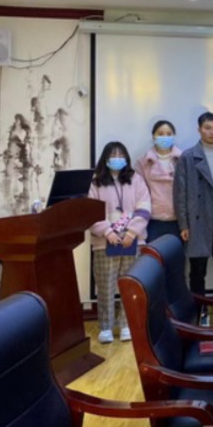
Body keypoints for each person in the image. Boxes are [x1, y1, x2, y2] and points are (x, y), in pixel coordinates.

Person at [174, 112, 213, 327]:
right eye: (208, 128)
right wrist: (184, 224)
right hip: (198, 221)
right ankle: (199, 311)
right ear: (199, 130)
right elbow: (180, 193)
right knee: (197, 271)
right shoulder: (188, 157)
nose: (212, 132)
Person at [88, 141, 151, 344]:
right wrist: (107, 231)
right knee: (105, 287)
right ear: (105, 158)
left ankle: (126, 325)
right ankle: (106, 327)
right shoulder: (95, 182)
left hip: (133, 242)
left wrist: (132, 232)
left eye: (121, 155)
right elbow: (89, 212)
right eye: (113, 155)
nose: (117, 158)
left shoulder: (136, 180)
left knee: (130, 286)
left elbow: (145, 207)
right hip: (104, 243)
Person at [134, 120, 181, 243]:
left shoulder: (183, 160)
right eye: (160, 134)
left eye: (169, 134)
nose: (165, 137)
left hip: (178, 220)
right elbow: (139, 194)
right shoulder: (143, 162)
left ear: (174, 136)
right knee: (153, 254)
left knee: (177, 254)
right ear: (153, 136)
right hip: (152, 220)